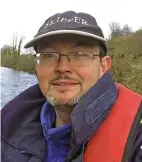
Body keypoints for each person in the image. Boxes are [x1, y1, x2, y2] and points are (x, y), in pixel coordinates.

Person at [1, 11, 142, 162]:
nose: (63, 67)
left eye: (80, 54)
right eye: (49, 55)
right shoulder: (8, 126)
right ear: (36, 66)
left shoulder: (136, 139)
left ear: (103, 66)